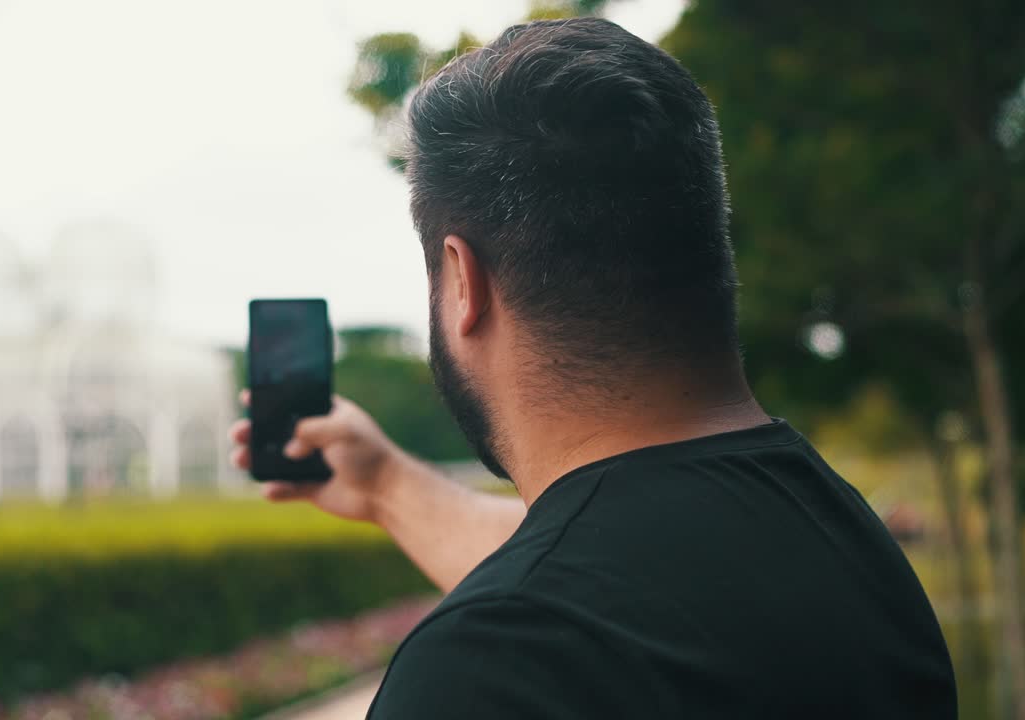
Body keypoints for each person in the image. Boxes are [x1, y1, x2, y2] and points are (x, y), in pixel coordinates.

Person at [230, 17, 956, 719]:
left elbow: (574, 593)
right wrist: (386, 483)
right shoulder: (840, 535)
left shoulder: (487, 667)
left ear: (461, 282)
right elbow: (610, 576)